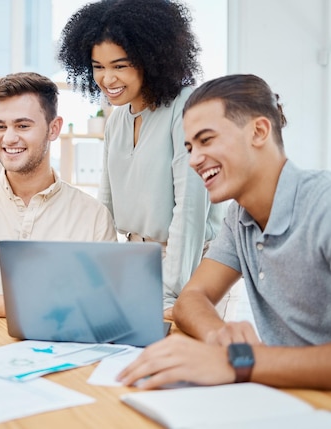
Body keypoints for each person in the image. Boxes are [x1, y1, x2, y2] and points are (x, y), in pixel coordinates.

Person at [118, 74, 331, 392]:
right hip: (287, 395)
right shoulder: (240, 217)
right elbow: (192, 298)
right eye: (190, 147)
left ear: (259, 132)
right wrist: (220, 337)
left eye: (207, 140)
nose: (193, 160)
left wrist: (238, 362)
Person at [57, 0, 226, 319]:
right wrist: (95, 277)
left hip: (193, 267)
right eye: (98, 66)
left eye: (120, 66)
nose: (107, 79)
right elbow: (103, 208)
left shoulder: (186, 106)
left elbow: (190, 210)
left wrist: (171, 292)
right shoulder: (117, 121)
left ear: (151, 59)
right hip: (138, 262)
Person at [0, 72, 117, 318]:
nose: (9, 138)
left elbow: (102, 302)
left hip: (63, 349)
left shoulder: (93, 216)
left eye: (22, 126)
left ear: (53, 129)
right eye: (0, 126)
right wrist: (43, 307)